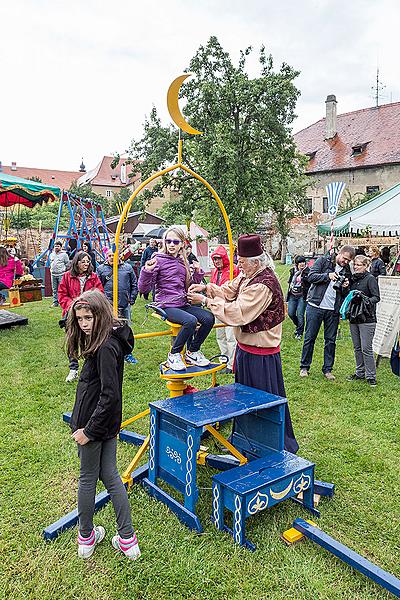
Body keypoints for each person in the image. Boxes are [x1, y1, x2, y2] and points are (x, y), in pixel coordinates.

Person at [188, 234, 298, 454]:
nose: (238, 264)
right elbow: (229, 290)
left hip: (261, 356)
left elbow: (238, 313)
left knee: (262, 403)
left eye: (242, 261)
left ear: (256, 261)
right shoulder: (249, 276)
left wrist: (206, 302)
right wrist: (206, 288)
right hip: (246, 351)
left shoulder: (263, 285)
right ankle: (245, 441)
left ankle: (269, 446)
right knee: (244, 401)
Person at [66, 290, 140, 560]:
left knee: (88, 477)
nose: (84, 324)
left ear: (102, 314)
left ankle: (85, 537)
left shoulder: (106, 346)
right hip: (106, 421)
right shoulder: (105, 338)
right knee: (110, 475)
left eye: (89, 317)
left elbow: (110, 394)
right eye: (80, 318)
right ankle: (128, 540)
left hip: (94, 422)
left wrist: (88, 430)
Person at [138, 226, 214, 371]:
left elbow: (189, 286)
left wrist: (198, 273)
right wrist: (146, 271)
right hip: (166, 304)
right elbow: (143, 289)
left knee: (209, 318)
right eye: (168, 241)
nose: (172, 244)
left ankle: (193, 351)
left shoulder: (183, 261)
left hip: (182, 303)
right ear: (164, 242)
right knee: (190, 321)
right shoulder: (157, 259)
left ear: (182, 244)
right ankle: (174, 354)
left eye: (175, 242)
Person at [299, 245, 355, 380]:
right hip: (315, 305)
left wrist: (346, 286)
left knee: (330, 340)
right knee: (309, 337)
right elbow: (310, 277)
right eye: (344, 258)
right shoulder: (323, 261)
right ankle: (304, 367)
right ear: (340, 253)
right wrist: (327, 276)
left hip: (333, 309)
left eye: (348, 261)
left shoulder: (347, 270)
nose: (345, 262)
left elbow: (345, 293)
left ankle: (328, 369)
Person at [58, 251, 104, 382]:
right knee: (73, 339)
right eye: (83, 261)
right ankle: (73, 368)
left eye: (88, 261)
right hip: (72, 312)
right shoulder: (67, 276)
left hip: (90, 312)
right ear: (76, 263)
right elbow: (62, 294)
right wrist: (72, 306)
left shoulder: (93, 276)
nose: (86, 264)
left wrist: (91, 305)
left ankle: (92, 366)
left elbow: (99, 292)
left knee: (92, 338)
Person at [97, 250, 138, 365]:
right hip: (108, 304)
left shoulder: (128, 268)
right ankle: (111, 352)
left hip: (124, 303)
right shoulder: (101, 269)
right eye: (109, 255)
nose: (112, 257)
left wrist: (132, 298)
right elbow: (97, 286)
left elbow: (134, 284)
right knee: (109, 328)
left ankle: (128, 353)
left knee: (126, 329)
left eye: (114, 255)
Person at [346, 255, 380, 386]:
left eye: (359, 265)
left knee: (366, 347)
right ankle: (360, 372)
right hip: (354, 317)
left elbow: (376, 297)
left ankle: (371, 375)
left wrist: (364, 300)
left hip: (367, 318)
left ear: (366, 266)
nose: (356, 267)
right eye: (355, 264)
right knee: (357, 347)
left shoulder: (370, 279)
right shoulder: (353, 279)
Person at [210, 245, 239, 373]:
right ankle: (224, 360)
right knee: (220, 335)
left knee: (230, 336)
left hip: (228, 307)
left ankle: (231, 364)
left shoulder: (233, 269)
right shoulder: (215, 272)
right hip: (217, 307)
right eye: (214, 259)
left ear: (224, 258)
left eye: (218, 259)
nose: (216, 261)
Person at [286, 255, 310, 340]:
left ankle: (299, 332)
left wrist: (303, 277)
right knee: (291, 313)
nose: (302, 264)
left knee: (300, 315)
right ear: (296, 264)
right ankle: (298, 325)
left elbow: (309, 282)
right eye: (300, 262)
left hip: (302, 296)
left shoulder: (308, 271)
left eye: (303, 262)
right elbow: (290, 282)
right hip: (293, 294)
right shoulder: (293, 271)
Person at [49, 241, 69, 307]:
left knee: (62, 289)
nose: (56, 247)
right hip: (53, 274)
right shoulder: (51, 254)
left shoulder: (64, 255)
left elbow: (67, 264)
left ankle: (62, 301)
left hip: (61, 274)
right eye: (55, 246)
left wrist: (64, 271)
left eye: (58, 246)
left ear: (61, 247)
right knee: (54, 289)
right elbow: (50, 263)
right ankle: (55, 302)